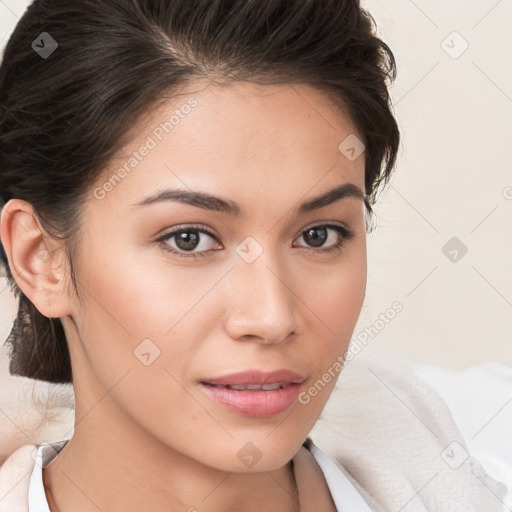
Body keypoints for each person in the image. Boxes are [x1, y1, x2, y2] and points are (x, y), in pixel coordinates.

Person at [0, 0, 509, 511]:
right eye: (189, 239)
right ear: (41, 259)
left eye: (318, 235)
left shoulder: (456, 446)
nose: (272, 317)